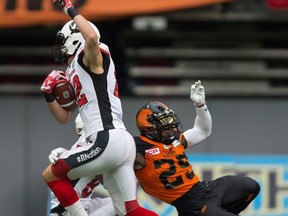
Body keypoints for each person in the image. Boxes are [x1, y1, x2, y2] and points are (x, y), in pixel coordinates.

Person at [40, 0, 158, 215]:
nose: (61, 47)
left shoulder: (89, 56)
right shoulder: (76, 69)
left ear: (75, 38)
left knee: (51, 175)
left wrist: (69, 8)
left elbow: (92, 37)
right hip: (119, 141)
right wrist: (49, 95)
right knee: (129, 211)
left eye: (64, 41)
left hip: (105, 139)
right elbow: (64, 117)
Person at [133, 80, 260, 216]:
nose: (172, 129)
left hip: (203, 189)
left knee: (250, 187)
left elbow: (202, 131)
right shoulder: (135, 147)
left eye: (170, 123)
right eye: (165, 126)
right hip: (191, 205)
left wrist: (200, 105)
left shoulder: (175, 140)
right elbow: (114, 160)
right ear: (150, 130)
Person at [49, 113, 116, 216]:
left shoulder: (82, 148)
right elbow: (107, 181)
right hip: (66, 209)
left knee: (123, 205)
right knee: (124, 204)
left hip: (83, 204)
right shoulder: (90, 146)